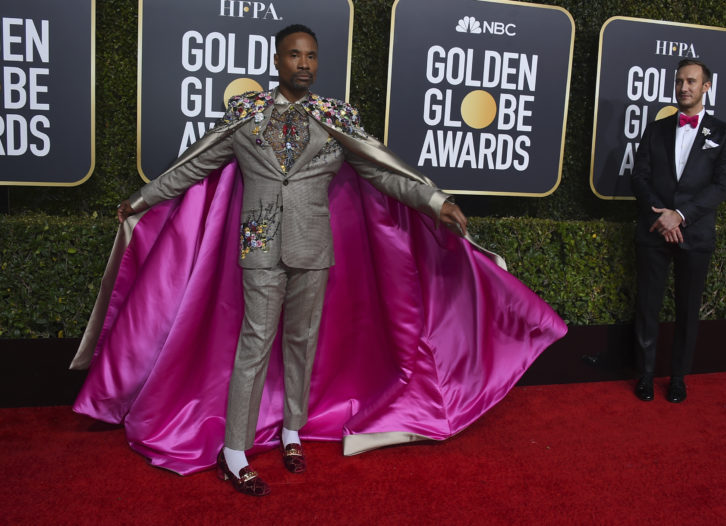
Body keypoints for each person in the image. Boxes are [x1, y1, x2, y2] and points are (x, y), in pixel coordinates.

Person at [115, 24, 465, 496]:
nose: (304, 64)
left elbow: (384, 170)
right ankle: (234, 451)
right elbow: (195, 163)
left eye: (312, 56)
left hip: (313, 246)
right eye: (295, 55)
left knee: (302, 341)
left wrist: (434, 201)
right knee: (255, 344)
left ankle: (291, 432)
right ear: (276, 61)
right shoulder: (246, 113)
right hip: (259, 245)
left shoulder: (335, 117)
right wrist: (141, 199)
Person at [630, 58, 726, 403]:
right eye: (679, 81)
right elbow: (639, 177)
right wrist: (663, 217)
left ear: (706, 87)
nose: (683, 87)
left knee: (688, 311)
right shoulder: (656, 128)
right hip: (654, 230)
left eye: (691, 81)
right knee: (647, 306)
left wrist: (680, 215)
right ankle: (645, 376)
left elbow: (721, 187)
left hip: (695, 234)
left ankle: (678, 378)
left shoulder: (722, 133)